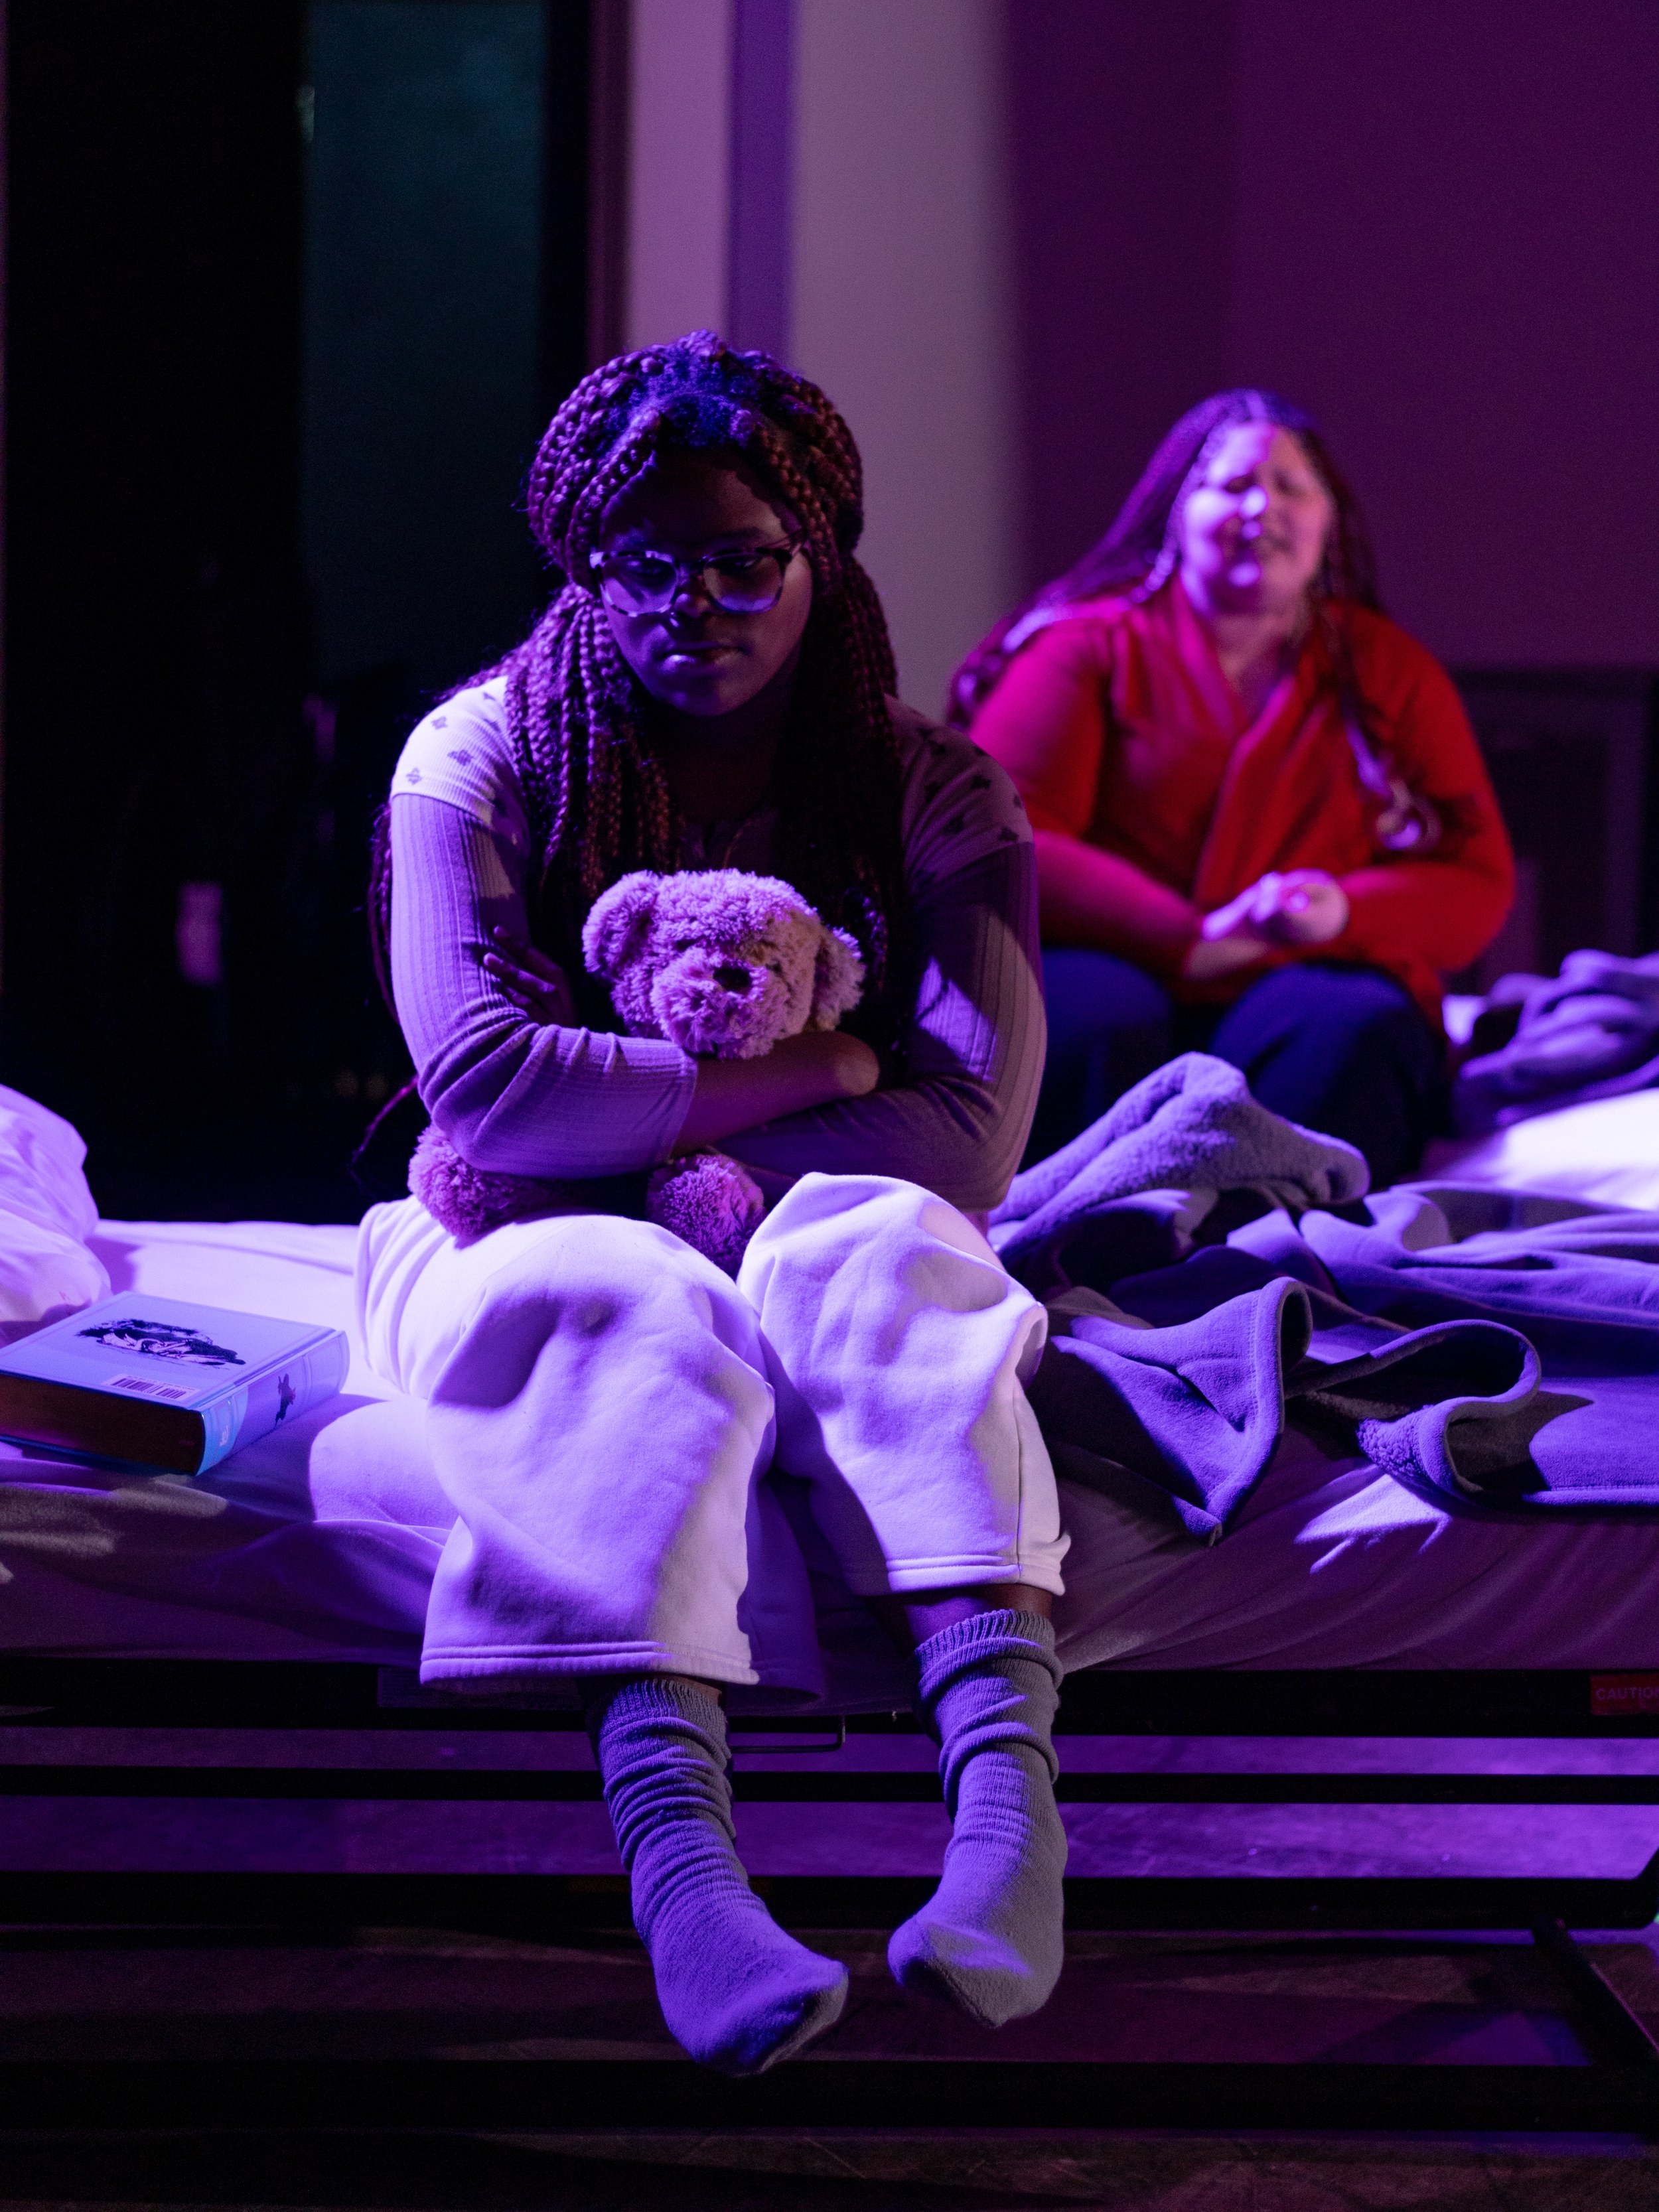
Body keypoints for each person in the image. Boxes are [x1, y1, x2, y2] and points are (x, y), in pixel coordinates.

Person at [359, 332, 1065, 2077]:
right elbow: (486, 1090)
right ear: (587, 568)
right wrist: (821, 1075)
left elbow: (969, 1135)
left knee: (895, 1246)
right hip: (510, 1206)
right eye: (648, 560)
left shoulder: (929, 782)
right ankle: (686, 1875)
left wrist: (722, 1159)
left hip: (802, 1195)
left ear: (820, 560)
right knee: (616, 1292)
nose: (701, 598)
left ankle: (1004, 1815)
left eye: (748, 554)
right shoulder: (475, 755)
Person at [955, 390, 1514, 1183]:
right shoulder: (1082, 649)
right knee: (1086, 1023)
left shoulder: (1388, 671)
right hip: (1117, 961)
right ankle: (1076, 1237)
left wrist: (1342, 910)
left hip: (1304, 967)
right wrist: (1188, 938)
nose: (1262, 506)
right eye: (1230, 485)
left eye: (1291, 487)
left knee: (1356, 1029)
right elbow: (1000, 832)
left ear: (1329, 521)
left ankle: (1278, 1259)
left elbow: (1474, 876)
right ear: (1174, 514)